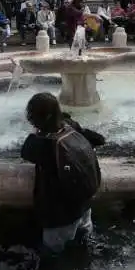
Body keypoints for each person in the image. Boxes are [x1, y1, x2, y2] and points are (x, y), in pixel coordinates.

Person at [20, 92, 103, 253]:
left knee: (53, 257)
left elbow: (25, 152)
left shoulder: (41, 144)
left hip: (60, 218)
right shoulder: (71, 126)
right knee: (86, 247)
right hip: (84, 207)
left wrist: (38, 132)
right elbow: (99, 139)